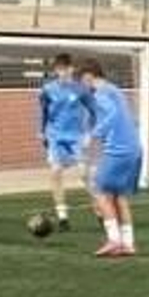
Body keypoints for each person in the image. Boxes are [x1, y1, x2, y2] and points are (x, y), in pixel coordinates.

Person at [80, 58, 145, 257]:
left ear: (89, 76)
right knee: (119, 197)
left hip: (119, 150)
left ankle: (114, 240)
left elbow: (112, 115)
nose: (81, 85)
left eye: (81, 80)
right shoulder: (115, 90)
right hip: (135, 148)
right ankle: (128, 243)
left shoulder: (101, 94)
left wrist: (93, 134)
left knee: (99, 191)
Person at [39, 52, 94, 231]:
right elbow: (43, 113)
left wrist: (89, 134)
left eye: (64, 69)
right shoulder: (47, 90)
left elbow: (94, 112)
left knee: (84, 174)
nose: (61, 73)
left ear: (71, 69)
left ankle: (100, 209)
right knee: (55, 172)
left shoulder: (80, 89)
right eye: (58, 70)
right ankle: (63, 218)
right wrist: (41, 132)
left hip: (76, 137)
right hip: (55, 136)